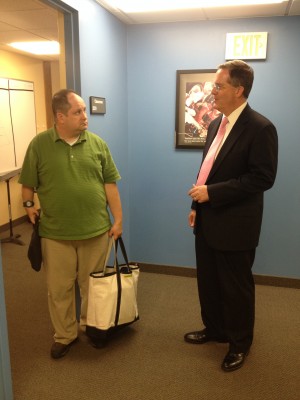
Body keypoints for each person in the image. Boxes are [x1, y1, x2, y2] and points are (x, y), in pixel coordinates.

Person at [185, 60, 278, 372]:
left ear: (239, 90)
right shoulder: (215, 124)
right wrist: (197, 206)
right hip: (208, 220)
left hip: (237, 225)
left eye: (219, 85)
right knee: (208, 282)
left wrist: (213, 194)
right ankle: (215, 330)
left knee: (235, 288)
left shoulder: (261, 128)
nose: (213, 91)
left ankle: (239, 344)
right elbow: (207, 171)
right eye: (214, 85)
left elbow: (262, 178)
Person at [19, 89, 123, 359]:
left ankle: (91, 327)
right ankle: (65, 336)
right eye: (78, 112)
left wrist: (118, 219)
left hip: (96, 230)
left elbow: (109, 184)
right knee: (59, 289)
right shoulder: (39, 145)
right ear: (60, 116)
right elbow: (28, 183)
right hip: (55, 234)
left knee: (93, 287)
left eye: (84, 111)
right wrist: (28, 206)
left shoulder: (98, 144)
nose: (84, 116)